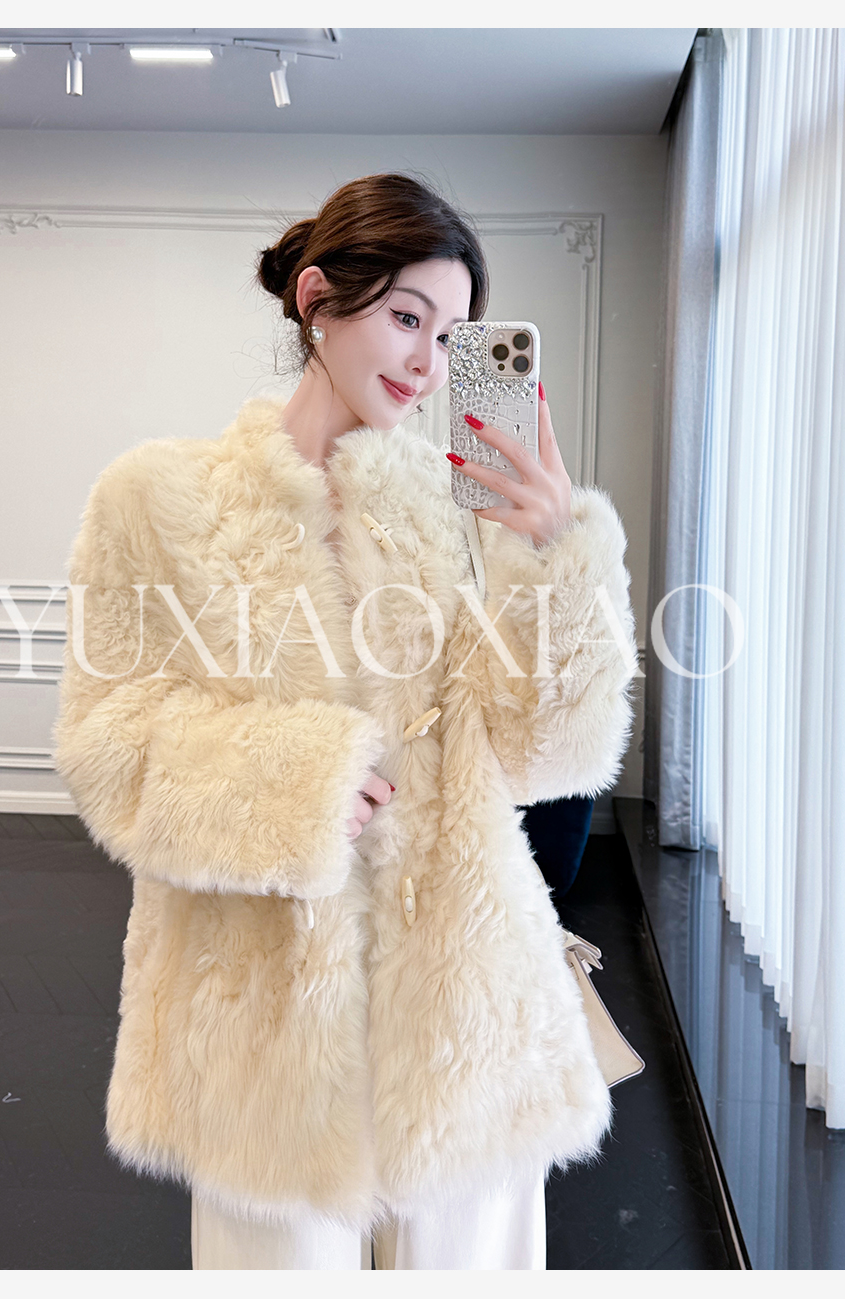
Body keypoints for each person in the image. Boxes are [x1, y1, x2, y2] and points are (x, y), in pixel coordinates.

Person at [52, 173, 638, 1269]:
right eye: (407, 317)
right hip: (258, 1018)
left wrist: (557, 557)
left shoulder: (454, 511)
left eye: (451, 335)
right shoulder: (157, 500)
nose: (428, 362)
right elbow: (111, 741)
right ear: (317, 298)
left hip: (467, 1004)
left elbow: (541, 751)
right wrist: (301, 784)